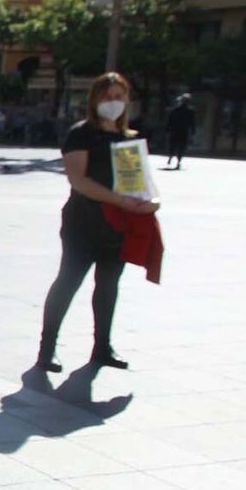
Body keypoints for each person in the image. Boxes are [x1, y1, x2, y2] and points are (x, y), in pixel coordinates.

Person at [37, 72, 158, 373]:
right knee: (69, 280)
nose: (113, 103)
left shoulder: (130, 139)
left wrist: (151, 202)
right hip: (83, 221)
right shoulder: (81, 134)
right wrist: (118, 200)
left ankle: (102, 347)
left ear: (127, 100)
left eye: (119, 97)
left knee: (108, 285)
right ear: (94, 100)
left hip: (118, 226)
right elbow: (79, 180)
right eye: (107, 97)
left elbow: (141, 184)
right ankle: (47, 348)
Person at [165, 93, 195, 169]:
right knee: (181, 147)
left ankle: (171, 156)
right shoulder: (190, 111)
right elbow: (192, 122)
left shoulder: (175, 110)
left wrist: (167, 129)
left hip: (175, 130)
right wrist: (193, 131)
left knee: (173, 144)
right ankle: (178, 161)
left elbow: (169, 121)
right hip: (184, 131)